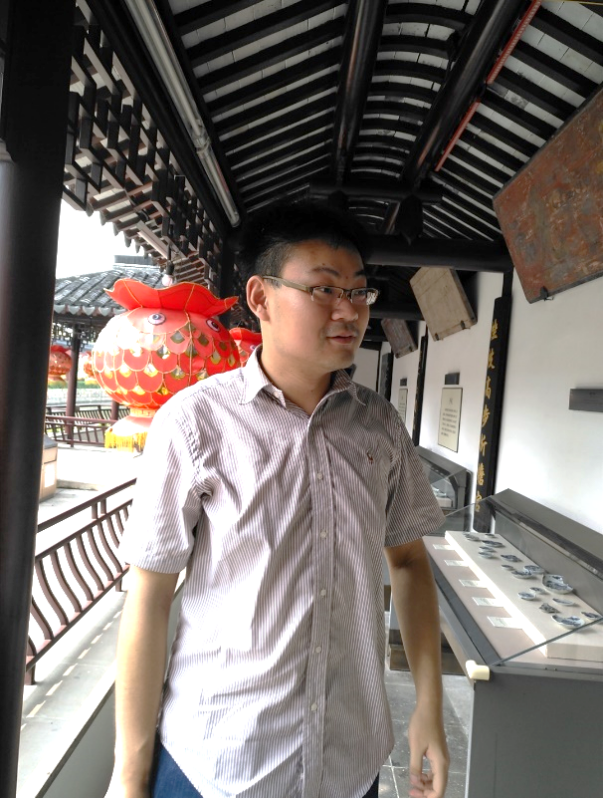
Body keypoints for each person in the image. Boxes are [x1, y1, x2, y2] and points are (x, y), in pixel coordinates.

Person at [110, 201, 450, 798]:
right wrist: (129, 771)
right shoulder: (194, 423)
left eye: (359, 291)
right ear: (260, 297)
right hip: (217, 763)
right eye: (324, 289)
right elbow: (150, 594)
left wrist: (429, 705)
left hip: (349, 762)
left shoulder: (380, 426)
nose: (349, 310)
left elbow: (409, 562)